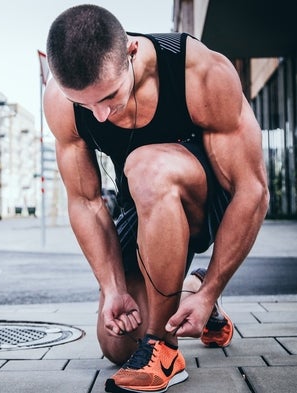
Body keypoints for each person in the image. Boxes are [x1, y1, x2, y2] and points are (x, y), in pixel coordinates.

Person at [43, 4, 269, 393]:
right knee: (116, 343)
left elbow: (253, 190)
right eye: (85, 104)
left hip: (206, 199)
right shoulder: (61, 100)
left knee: (145, 166)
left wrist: (217, 284)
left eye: (110, 96)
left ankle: (163, 350)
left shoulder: (197, 71)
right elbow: (86, 201)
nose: (99, 115)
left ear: (131, 52)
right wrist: (112, 287)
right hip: (143, 204)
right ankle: (190, 293)